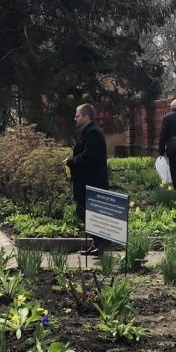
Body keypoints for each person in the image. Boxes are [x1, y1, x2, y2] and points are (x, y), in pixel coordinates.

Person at [65, 103, 109, 256]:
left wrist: (71, 161)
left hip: (92, 182)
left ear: (86, 117)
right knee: (85, 212)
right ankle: (98, 243)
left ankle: (101, 242)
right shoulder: (88, 131)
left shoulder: (93, 133)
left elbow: (89, 156)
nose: (75, 119)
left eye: (77, 116)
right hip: (87, 182)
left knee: (87, 212)